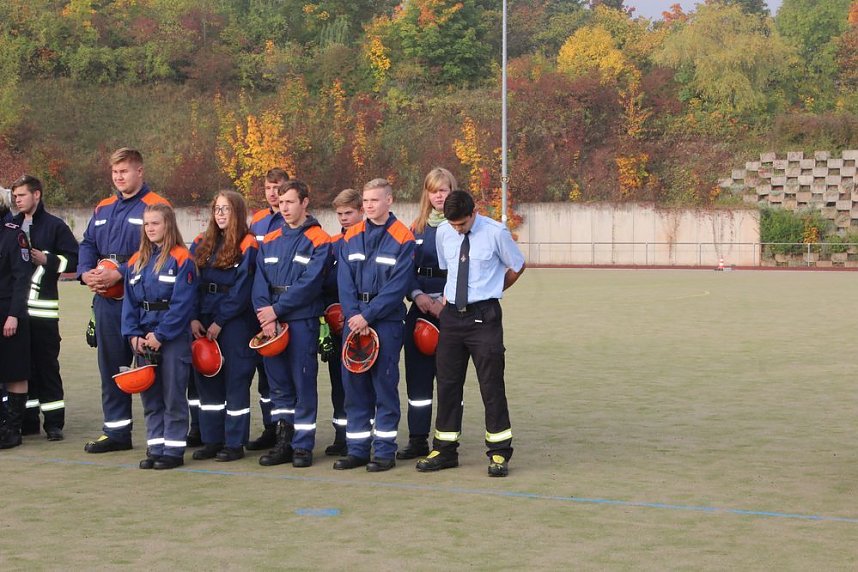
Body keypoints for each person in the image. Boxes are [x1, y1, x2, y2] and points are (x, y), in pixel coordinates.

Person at [416, 190, 525, 477]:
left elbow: (518, 265)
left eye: (462, 224)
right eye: (453, 225)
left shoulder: (496, 232)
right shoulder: (443, 232)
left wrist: (494, 290)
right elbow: (448, 268)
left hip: (484, 316)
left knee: (491, 385)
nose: (457, 229)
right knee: (448, 384)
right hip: (452, 317)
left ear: (473, 212)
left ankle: (499, 453)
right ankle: (444, 449)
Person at [78, 148, 170, 453]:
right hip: (105, 299)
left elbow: (160, 248)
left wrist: (121, 271)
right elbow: (88, 242)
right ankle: (116, 431)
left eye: (125, 171)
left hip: (142, 300)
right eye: (115, 172)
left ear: (139, 172)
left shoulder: (155, 205)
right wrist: (85, 273)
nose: (119, 177)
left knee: (149, 367)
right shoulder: (102, 207)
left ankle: (162, 433)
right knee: (110, 365)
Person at [334, 178, 415, 472]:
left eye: (374, 201)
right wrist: (354, 315)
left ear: (389, 201)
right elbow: (344, 280)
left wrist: (367, 316)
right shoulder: (351, 235)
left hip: (386, 322)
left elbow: (398, 286)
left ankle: (383, 451)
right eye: (366, 201)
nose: (368, 206)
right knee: (354, 388)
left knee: (384, 388)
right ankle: (357, 450)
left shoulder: (403, 237)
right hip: (354, 321)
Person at [252, 179, 330, 468]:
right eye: (281, 202)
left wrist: (276, 310)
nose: (283, 207)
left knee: (303, 383)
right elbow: (259, 281)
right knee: (278, 386)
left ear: (304, 203)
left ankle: (303, 446)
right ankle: (283, 441)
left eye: (290, 202)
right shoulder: (270, 239)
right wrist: (265, 314)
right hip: (271, 324)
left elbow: (309, 284)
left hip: (301, 321)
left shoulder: (320, 239)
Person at [123, 203, 197, 470]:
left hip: (172, 339)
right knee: (150, 397)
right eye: (147, 224)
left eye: (155, 223)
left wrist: (161, 335)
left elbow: (182, 304)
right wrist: (133, 336)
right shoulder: (135, 261)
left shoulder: (182, 258)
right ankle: (155, 447)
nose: (150, 228)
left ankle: (173, 451)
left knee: (173, 395)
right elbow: (129, 304)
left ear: (168, 225)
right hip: (143, 339)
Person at [189, 191, 259, 462]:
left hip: (235, 322)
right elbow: (191, 282)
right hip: (204, 319)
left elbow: (243, 288)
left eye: (226, 209)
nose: (219, 214)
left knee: (236, 381)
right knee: (207, 381)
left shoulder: (247, 243)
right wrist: (194, 317)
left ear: (237, 212)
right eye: (217, 209)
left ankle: (234, 442)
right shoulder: (201, 242)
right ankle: (211, 439)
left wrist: (220, 321)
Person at [11, 175, 79, 441]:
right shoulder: (10, 225)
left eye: (22, 195)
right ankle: (27, 421)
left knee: (47, 367)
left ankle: (53, 423)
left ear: (36, 195)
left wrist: (48, 259)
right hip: (16, 313)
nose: (18, 200)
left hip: (43, 313)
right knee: (21, 367)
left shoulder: (55, 226)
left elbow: (74, 260)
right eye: (15, 196)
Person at [397, 168, 455, 460]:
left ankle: (446, 441)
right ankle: (418, 439)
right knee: (417, 378)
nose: (439, 196)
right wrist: (417, 295)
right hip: (419, 307)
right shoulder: (416, 228)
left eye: (444, 190)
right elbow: (404, 270)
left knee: (447, 378)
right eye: (434, 191)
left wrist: (446, 301)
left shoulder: (460, 226)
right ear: (427, 194)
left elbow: (464, 269)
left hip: (451, 309)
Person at [246, 167, 290, 451]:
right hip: (259, 308)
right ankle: (270, 427)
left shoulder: (293, 221)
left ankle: (288, 429)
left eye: (278, 188)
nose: (273, 194)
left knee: (284, 373)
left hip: (285, 309)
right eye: (268, 188)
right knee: (264, 373)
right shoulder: (258, 222)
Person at [320, 188, 364, 457]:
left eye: (349, 213)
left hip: (364, 321)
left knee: (362, 382)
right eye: (340, 214)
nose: (344, 218)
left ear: (361, 211)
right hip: (336, 324)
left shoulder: (369, 242)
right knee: (338, 380)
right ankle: (341, 434)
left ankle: (363, 434)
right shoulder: (333, 244)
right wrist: (328, 311)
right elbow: (323, 283)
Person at [0, 189, 34, 449]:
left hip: (8, 312)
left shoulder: (14, 235)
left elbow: (22, 278)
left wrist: (13, 315)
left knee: (14, 371)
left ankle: (12, 430)